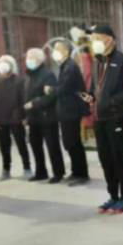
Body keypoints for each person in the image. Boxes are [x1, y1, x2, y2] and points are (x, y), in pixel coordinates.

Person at [84, 25, 123, 213]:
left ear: (110, 40)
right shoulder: (98, 61)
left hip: (117, 118)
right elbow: (95, 87)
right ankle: (113, 196)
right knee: (105, 159)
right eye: (94, 39)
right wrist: (91, 96)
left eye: (99, 38)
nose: (95, 42)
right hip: (100, 119)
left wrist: (112, 101)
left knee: (119, 159)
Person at [46, 40, 90, 186]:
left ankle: (81, 174)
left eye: (57, 49)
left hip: (71, 111)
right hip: (67, 110)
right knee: (70, 142)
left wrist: (51, 89)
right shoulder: (65, 66)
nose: (55, 52)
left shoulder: (70, 67)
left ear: (66, 51)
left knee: (73, 142)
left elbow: (64, 87)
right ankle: (76, 171)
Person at [23, 47, 65, 184]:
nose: (28, 60)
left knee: (52, 146)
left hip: (47, 117)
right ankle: (41, 172)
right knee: (35, 146)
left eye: (32, 58)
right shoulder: (29, 75)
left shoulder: (48, 75)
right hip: (33, 118)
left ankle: (58, 172)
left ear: (40, 60)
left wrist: (34, 103)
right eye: (28, 57)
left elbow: (51, 96)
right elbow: (27, 95)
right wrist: (26, 115)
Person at [0, 54, 31, 180]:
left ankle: (27, 168)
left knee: (21, 144)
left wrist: (25, 117)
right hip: (1, 119)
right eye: (1, 62)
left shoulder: (19, 81)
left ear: (12, 65)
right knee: (4, 146)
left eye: (6, 62)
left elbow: (24, 99)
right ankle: (6, 170)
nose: (3, 65)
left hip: (17, 118)